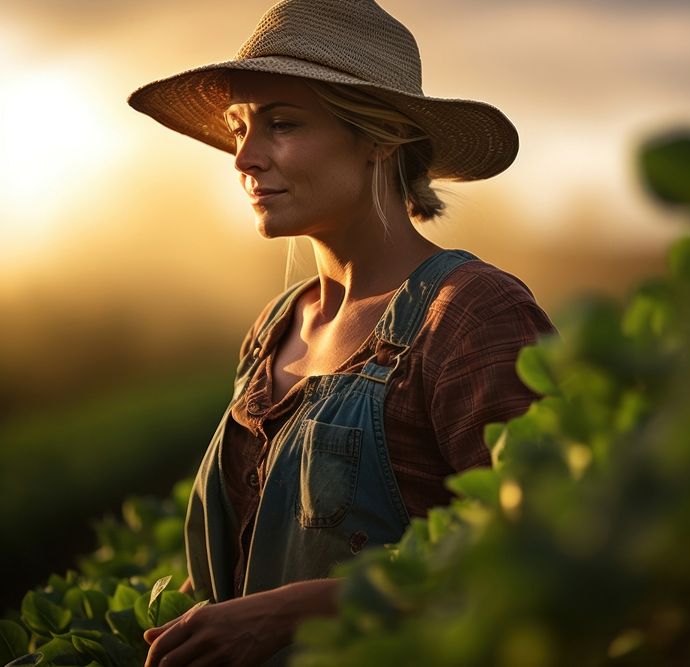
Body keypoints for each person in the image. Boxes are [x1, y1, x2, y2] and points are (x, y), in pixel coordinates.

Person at [127, 1, 555, 664]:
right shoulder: (277, 324)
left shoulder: (471, 314)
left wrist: (295, 611)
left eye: (283, 124)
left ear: (379, 137)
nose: (243, 156)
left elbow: (546, 544)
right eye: (240, 127)